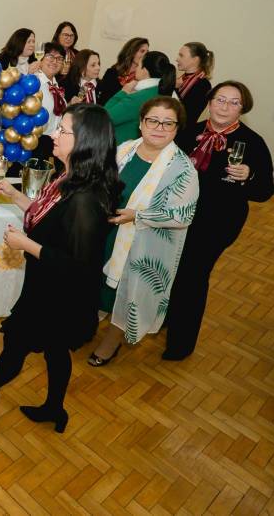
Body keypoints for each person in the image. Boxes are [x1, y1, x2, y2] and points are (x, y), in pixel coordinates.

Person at [0, 104, 120, 433]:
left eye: (64, 130)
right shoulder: (69, 177)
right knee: (54, 350)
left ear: (85, 140)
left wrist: (25, 245)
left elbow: (79, 267)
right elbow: (49, 219)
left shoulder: (85, 200)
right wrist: (15, 196)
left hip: (58, 293)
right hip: (45, 283)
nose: (54, 134)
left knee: (18, 344)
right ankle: (54, 408)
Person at [164, 81, 274, 360]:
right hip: (180, 214)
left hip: (218, 222)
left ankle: (181, 343)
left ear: (242, 108)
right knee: (173, 268)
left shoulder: (253, 143)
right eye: (220, 100)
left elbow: (265, 191)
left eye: (234, 102)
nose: (225, 107)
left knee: (193, 275)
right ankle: (167, 316)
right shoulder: (189, 133)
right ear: (210, 102)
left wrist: (249, 176)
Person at [88, 97, 199, 366]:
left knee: (129, 291)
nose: (159, 128)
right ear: (141, 123)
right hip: (106, 232)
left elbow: (183, 215)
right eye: (153, 121)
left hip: (144, 242)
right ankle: (89, 320)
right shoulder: (124, 150)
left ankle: (112, 341)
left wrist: (138, 216)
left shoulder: (182, 169)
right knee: (97, 282)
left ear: (176, 128)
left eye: (168, 123)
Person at [104, 51, 175, 144]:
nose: (135, 69)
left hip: (123, 148)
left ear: (144, 70)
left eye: (138, 65)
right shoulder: (164, 92)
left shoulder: (138, 98)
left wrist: (123, 92)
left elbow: (103, 118)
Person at [98, 37, 149, 105]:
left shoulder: (143, 78)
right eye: (142, 51)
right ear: (132, 52)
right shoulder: (112, 72)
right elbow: (102, 99)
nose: (145, 55)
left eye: (147, 52)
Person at [174, 42, 215, 125]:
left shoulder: (203, 85)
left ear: (195, 59)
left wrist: (175, 89)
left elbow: (187, 115)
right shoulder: (181, 79)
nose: (177, 59)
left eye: (181, 55)